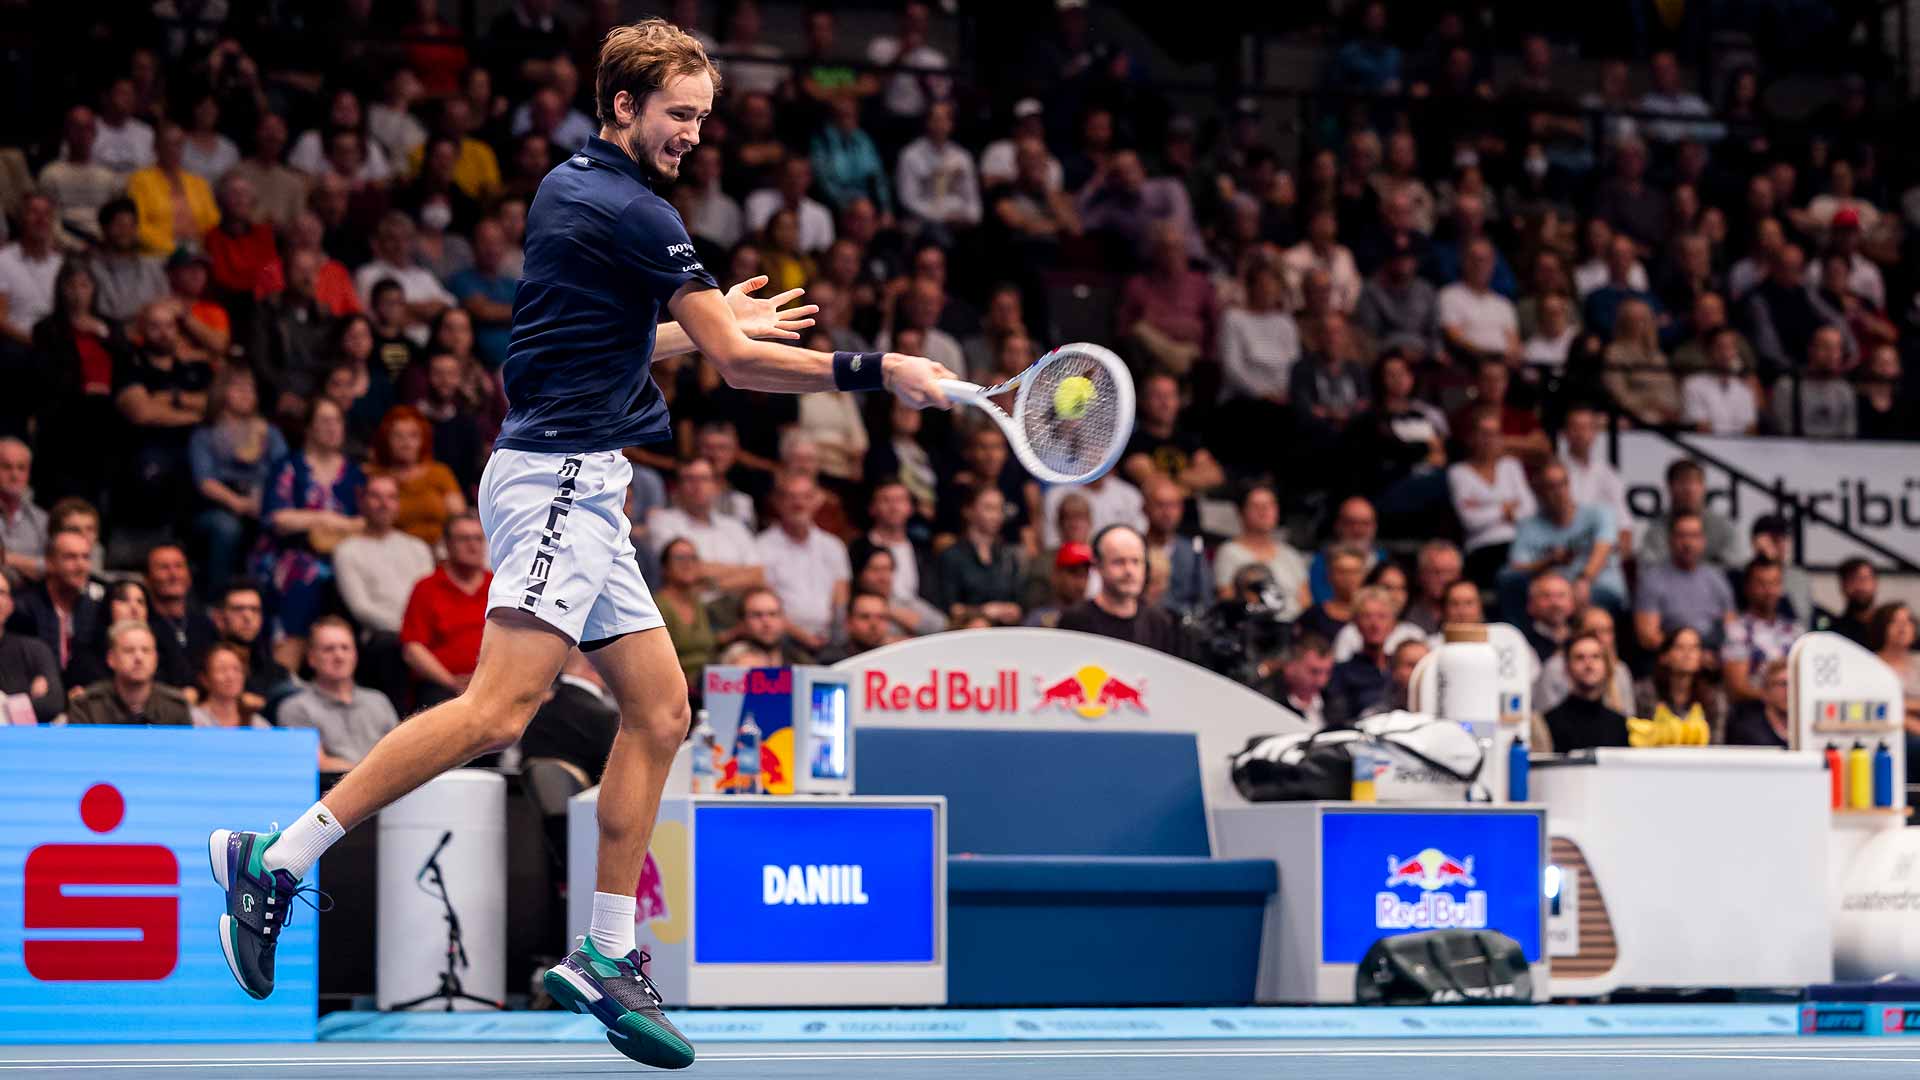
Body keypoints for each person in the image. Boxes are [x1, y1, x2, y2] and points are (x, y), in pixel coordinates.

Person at [206, 26, 953, 1074]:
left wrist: (704, 328)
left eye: (701, 114)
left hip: (585, 482)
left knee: (660, 711)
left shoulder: (575, 190)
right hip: (558, 481)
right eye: (677, 113)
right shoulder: (632, 210)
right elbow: (742, 369)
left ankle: (605, 952)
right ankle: (275, 861)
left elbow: (623, 347)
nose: (693, 133)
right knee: (499, 709)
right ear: (620, 108)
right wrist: (886, 369)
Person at [253, 398, 364, 654]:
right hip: (291, 551)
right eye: (325, 421)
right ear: (309, 428)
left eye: (337, 420)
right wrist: (325, 520)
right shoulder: (289, 466)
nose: (333, 427)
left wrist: (326, 524)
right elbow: (277, 518)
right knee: (305, 574)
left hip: (343, 553)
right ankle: (288, 659)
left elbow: (364, 520)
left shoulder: (354, 473)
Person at [278, 617, 403, 772]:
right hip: (329, 792)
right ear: (311, 658)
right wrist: (374, 774)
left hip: (389, 791)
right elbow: (318, 764)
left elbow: (401, 755)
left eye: (345, 648)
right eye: (328, 649)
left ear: (355, 655)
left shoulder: (379, 701)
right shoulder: (296, 707)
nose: (339, 656)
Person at [1504, 461, 1626, 616]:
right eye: (1551, 487)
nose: (1559, 492)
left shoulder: (1600, 513)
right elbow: (1516, 567)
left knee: (1574, 598)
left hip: (1599, 588)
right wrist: (1549, 561)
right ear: (1538, 492)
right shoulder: (1528, 526)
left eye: (1563, 484)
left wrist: (1584, 580)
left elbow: (1603, 548)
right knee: (1509, 580)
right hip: (1552, 594)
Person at [399, 513, 492, 709]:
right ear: (447, 545)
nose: (473, 546)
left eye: (478, 539)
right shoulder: (426, 588)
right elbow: (413, 649)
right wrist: (452, 682)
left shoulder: (498, 584)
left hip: (496, 682)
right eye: (464, 539)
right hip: (444, 686)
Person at [754, 472, 850, 652]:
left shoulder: (833, 546)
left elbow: (840, 600)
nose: (799, 504)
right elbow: (766, 600)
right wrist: (803, 637)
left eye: (806, 497)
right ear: (777, 502)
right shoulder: (761, 547)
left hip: (829, 639)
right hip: (783, 639)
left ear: (817, 500)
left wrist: (835, 637)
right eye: (791, 497)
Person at [646, 458, 763, 597]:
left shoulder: (735, 526)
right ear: (677, 486)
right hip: (690, 611)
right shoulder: (662, 521)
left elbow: (757, 574)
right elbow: (681, 569)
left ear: (717, 485)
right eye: (689, 479)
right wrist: (740, 573)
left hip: (735, 612)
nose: (697, 486)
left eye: (704, 479)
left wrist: (712, 585)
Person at [1059, 526, 1183, 655]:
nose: (1129, 570)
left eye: (1136, 561)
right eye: (1118, 562)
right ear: (1098, 566)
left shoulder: (1159, 623)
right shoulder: (1076, 620)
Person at [1448, 408, 1534, 587]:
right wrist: (1506, 508)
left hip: (1517, 543)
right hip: (1481, 548)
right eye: (1484, 434)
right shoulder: (1458, 473)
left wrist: (1485, 508)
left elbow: (1529, 510)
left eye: (1495, 434)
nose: (1490, 440)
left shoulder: (1511, 466)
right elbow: (1470, 520)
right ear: (1471, 437)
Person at [8, 529, 106, 686]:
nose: (81, 565)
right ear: (49, 562)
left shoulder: (96, 608)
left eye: (86, 557)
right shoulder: (23, 608)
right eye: (70, 557)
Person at [367, 406, 465, 548]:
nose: (406, 443)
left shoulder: (439, 473)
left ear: (423, 439)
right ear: (386, 440)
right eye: (398, 436)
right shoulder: (377, 478)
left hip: (441, 549)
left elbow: (458, 517)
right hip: (393, 550)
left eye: (413, 436)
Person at [67, 621, 191, 726]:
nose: (139, 657)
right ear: (111, 658)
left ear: (156, 659)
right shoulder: (87, 707)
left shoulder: (176, 707)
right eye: (129, 650)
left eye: (146, 650)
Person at [1212, 484, 1308, 619]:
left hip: (1293, 630)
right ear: (1241, 512)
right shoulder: (1229, 552)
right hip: (1254, 629)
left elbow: (1306, 602)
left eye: (1270, 505)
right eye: (1255, 506)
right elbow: (1227, 600)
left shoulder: (1291, 555)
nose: (1264, 511)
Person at [933, 485, 1024, 625]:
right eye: (989, 508)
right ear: (968, 511)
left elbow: (1017, 602)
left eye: (999, 509)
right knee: (979, 625)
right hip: (965, 631)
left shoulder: (1008, 556)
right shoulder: (951, 556)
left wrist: (1013, 610)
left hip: (1005, 630)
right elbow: (950, 609)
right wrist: (983, 611)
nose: (996, 516)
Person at [1637, 459, 1743, 568]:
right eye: (1682, 482)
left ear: (1703, 487)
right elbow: (1648, 566)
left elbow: (1734, 564)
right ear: (1670, 487)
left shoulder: (1723, 527)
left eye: (1695, 482)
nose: (1689, 489)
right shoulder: (1656, 529)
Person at [1535, 604, 1635, 714]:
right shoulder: (1555, 668)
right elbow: (1545, 717)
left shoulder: (1620, 670)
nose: (1601, 637)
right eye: (1593, 631)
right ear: (1578, 632)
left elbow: (1628, 717)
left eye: (1607, 631)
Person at [1635, 626, 1728, 744]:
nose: (1688, 654)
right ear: (1664, 656)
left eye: (1694, 648)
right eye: (1680, 647)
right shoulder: (1644, 693)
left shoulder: (1714, 698)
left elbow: (1716, 743)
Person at [143, 543, 217, 689]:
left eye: (179, 566)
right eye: (164, 568)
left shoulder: (204, 625)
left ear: (189, 575)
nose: (173, 574)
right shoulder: (143, 627)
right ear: (147, 578)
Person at [1542, 633, 1629, 752]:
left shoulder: (1621, 725)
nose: (1589, 664)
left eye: (1596, 656)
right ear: (1567, 668)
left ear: (1606, 666)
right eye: (1580, 657)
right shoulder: (1548, 723)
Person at [1325, 586, 1398, 724]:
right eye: (1367, 616)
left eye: (1382, 616)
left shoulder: (1400, 668)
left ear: (1393, 623)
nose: (1375, 624)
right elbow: (1337, 720)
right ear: (1356, 622)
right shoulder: (1341, 673)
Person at [1141, 476, 1209, 617]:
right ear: (1145, 508)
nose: (1167, 513)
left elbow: (1205, 600)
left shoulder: (1193, 552)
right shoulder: (1133, 549)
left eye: (1173, 505)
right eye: (1160, 505)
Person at [0, 573, 63, 723]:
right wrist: (25, 701)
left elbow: (54, 703)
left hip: (20, 743)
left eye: (1, 593)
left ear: (10, 604)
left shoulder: (34, 649)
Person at [1866, 604, 1920, 774]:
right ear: (1882, 627)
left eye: (1908, 621)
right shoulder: (1870, 664)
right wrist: (1911, 721)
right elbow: (1877, 706)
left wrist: (1904, 705)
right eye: (1895, 622)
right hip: (1889, 730)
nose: (1902, 627)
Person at [716, 586, 817, 667]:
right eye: (757, 615)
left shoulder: (798, 659)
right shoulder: (734, 660)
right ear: (742, 622)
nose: (767, 622)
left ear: (783, 620)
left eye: (773, 614)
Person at [0, 438, 49, 580]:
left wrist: (7, 558)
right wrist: (29, 565)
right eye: (6, 467)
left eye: (21, 468)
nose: (15, 475)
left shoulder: (41, 520)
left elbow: (51, 566)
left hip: (31, 597)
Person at [191, 643, 270, 730]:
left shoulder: (256, 723)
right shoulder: (193, 720)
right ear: (204, 679)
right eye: (222, 669)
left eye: (236, 669)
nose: (230, 677)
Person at [1264, 633, 1334, 729]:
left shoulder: (1334, 699)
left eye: (1328, 672)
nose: (1322, 681)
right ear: (1290, 667)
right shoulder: (1267, 701)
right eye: (1314, 672)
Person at [1024, 542, 1094, 629]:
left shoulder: (1094, 618)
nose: (1080, 582)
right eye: (1073, 573)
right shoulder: (1038, 618)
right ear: (1056, 574)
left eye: (1085, 575)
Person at [1724, 658, 1792, 748]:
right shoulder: (1746, 731)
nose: (1790, 690)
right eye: (1783, 684)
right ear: (1765, 691)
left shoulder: (1808, 729)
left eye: (1795, 684)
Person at [817, 590, 898, 664]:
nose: (874, 624)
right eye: (864, 617)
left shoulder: (896, 660)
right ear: (848, 623)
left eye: (881, 617)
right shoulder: (831, 659)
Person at [1405, 541, 1463, 635]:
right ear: (1421, 574)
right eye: (1435, 572)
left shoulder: (1468, 614)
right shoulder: (1407, 614)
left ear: (1459, 575)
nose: (1443, 579)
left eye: (1449, 572)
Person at [1823, 558, 1878, 646]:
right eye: (1852, 580)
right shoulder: (1833, 632)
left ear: (1875, 583)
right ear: (1842, 586)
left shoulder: (1887, 629)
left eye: (1864, 579)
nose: (1860, 586)